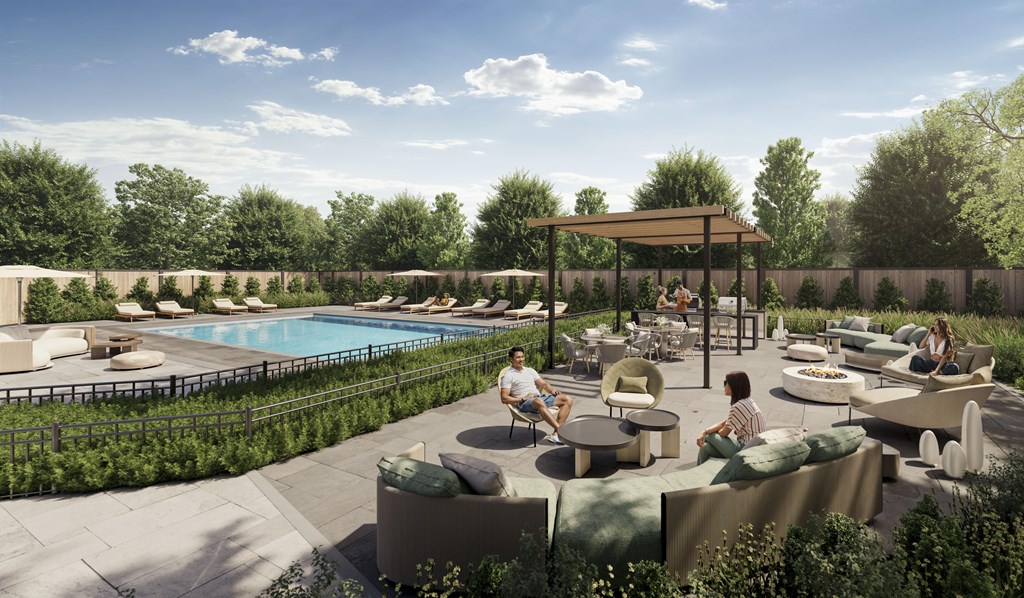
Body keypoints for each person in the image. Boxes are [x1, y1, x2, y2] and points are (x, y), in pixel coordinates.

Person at [501, 346, 574, 445]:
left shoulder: (529, 370)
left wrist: (553, 390)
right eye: (518, 357)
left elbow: (544, 384)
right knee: (539, 401)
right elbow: (504, 398)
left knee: (567, 399)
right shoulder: (509, 375)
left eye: (522, 357)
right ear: (511, 359)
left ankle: (555, 434)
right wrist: (523, 398)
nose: (521, 359)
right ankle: (561, 431)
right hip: (525, 403)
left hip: (539, 398)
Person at [696, 371, 766, 464]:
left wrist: (706, 433)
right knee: (704, 448)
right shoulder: (748, 401)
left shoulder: (738, 407)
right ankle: (700, 475)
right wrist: (704, 431)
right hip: (752, 447)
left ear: (734, 386)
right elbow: (723, 423)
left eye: (726, 383)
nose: (724, 386)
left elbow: (723, 433)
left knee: (710, 435)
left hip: (744, 450)